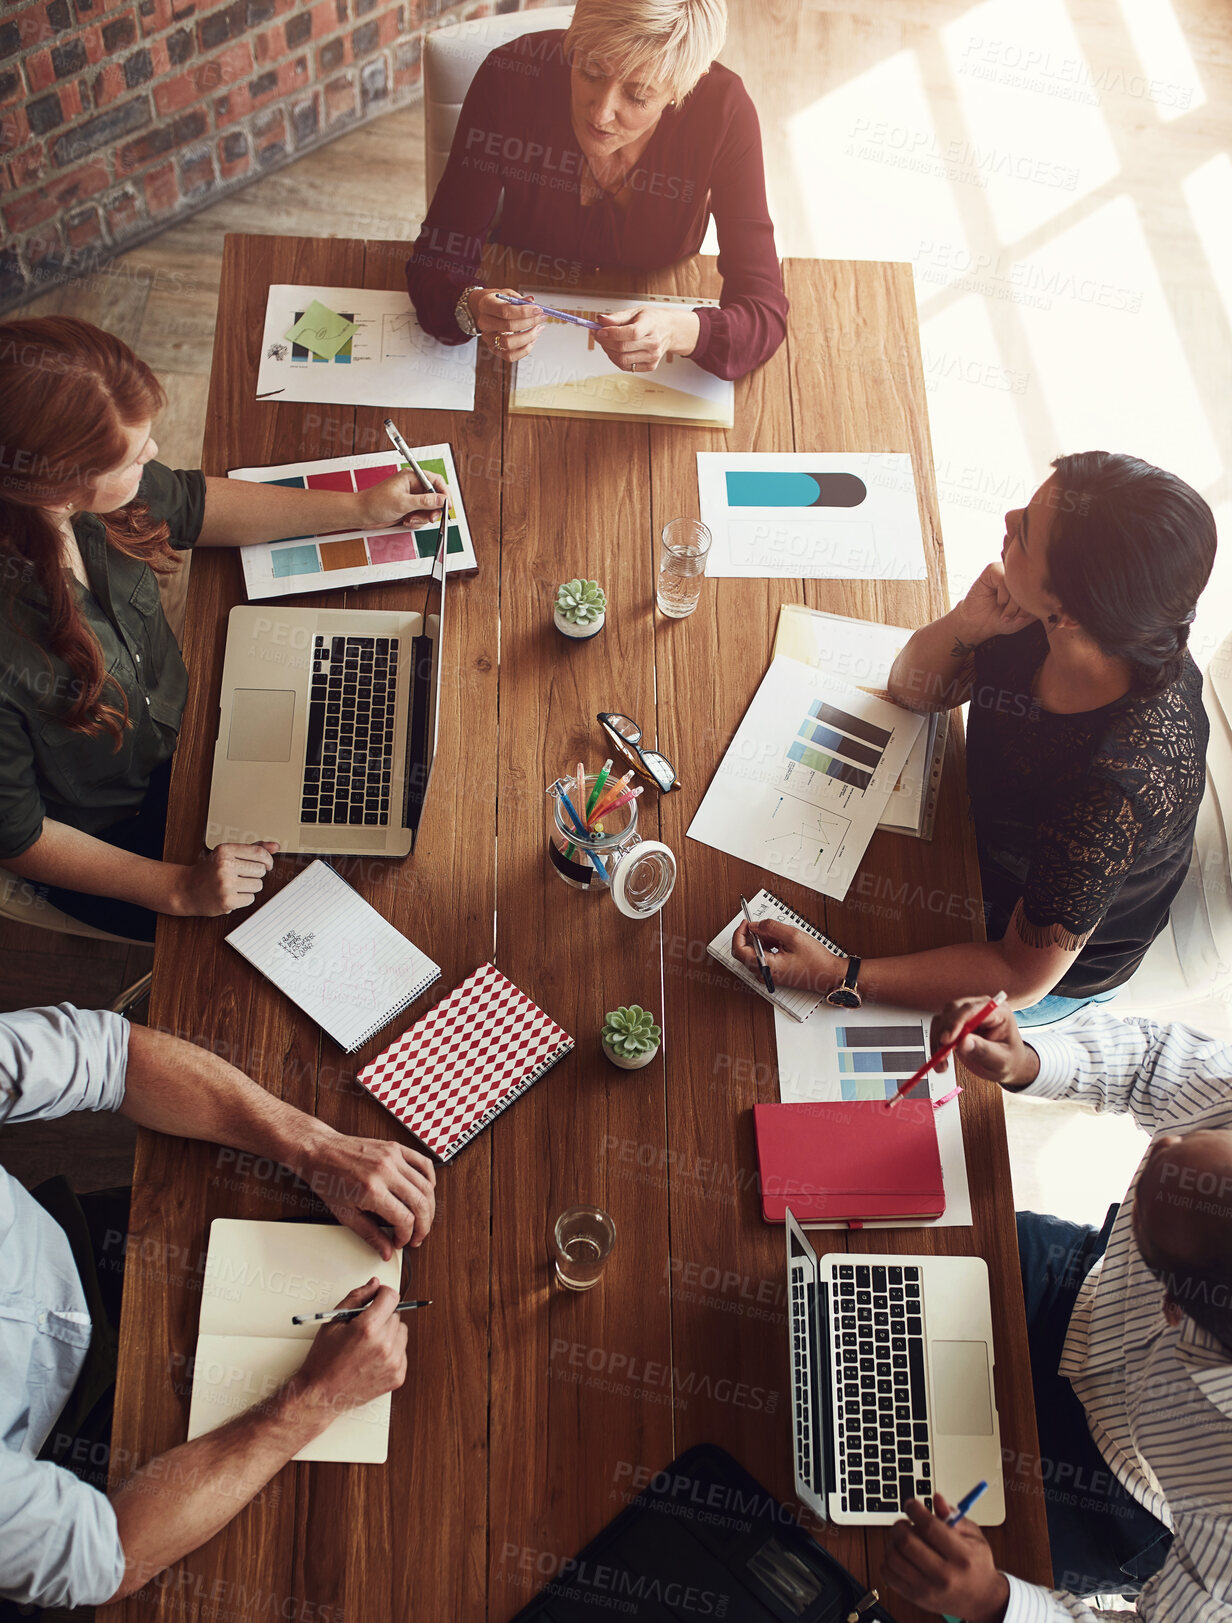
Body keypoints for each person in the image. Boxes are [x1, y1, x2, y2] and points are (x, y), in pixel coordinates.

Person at [0, 317, 447, 941]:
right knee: (346, 915)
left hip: (199, 725)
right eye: (133, 455)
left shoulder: (73, 496)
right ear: (54, 482)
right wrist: (177, 887)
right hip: (124, 839)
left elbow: (190, 504)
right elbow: (19, 838)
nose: (153, 455)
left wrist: (358, 510)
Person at [734, 453, 1216, 1027]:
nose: (1009, 518)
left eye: (1027, 532)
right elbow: (911, 690)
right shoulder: (1076, 622)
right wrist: (969, 623)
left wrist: (840, 974)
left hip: (1035, 960)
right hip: (971, 840)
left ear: (1069, 613)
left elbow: (1021, 978)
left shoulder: (1115, 783)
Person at [0, 1002, 437, 1611]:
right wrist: (314, 1400)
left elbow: (108, 1056)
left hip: (76, 1245)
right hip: (75, 1449)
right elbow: (103, 1557)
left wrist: (312, 1147)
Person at [880, 995, 1232, 1623]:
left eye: (1152, 1203)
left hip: (1108, 1498)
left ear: (1174, 1308)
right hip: (1077, 1288)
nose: (1168, 1139)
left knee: (885, 1553)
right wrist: (1028, 1060)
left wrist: (997, 1602)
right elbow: (1153, 1063)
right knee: (880, 1260)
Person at [405, 0, 788, 382]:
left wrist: (678, 331)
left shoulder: (724, 112)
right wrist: (473, 307)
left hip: (663, 282)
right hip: (525, 269)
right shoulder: (511, 79)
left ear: (685, 85)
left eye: (638, 96)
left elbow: (763, 313)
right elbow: (437, 261)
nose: (601, 113)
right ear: (573, 40)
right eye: (590, 71)